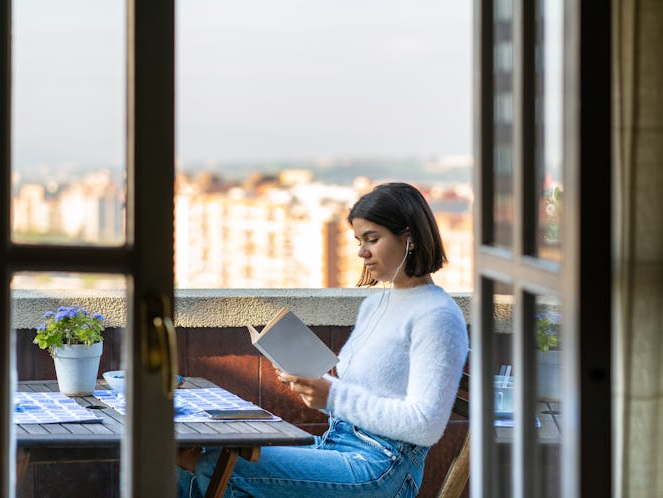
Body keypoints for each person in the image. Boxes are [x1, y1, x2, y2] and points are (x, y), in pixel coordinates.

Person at [177, 182, 469, 497]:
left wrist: (332, 396)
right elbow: (360, 398)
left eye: (372, 239)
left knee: (215, 464)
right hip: (334, 446)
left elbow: (425, 424)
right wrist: (312, 387)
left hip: (382, 469)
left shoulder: (437, 315)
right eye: (359, 240)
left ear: (409, 238)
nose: (362, 252)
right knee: (193, 455)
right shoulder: (376, 305)